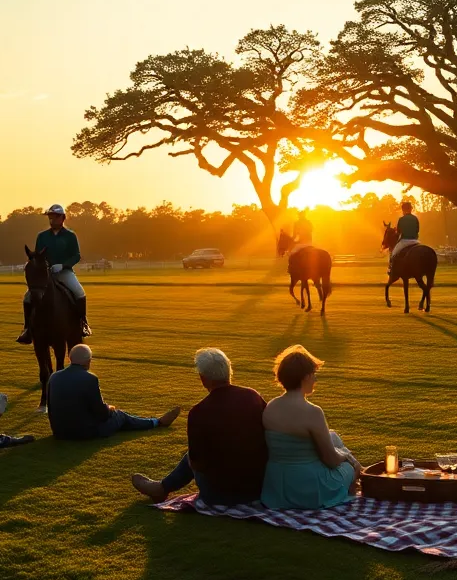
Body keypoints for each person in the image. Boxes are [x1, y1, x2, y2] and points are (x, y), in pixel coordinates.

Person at [131, 348, 269, 505]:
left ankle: (163, 488)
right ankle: (162, 487)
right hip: (259, 488)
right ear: (229, 371)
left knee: (192, 455)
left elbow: (197, 462)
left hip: (219, 495)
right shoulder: (252, 396)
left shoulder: (199, 412)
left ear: (203, 379)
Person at [261, 345, 361, 509]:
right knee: (351, 468)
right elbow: (331, 460)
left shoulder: (271, 406)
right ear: (305, 377)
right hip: (307, 487)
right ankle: (348, 499)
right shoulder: (312, 412)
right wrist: (346, 456)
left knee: (333, 435)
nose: (315, 379)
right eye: (313, 374)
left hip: (276, 487)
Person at [47, 344, 180, 438]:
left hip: (59, 432)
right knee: (120, 416)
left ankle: (154, 422)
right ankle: (156, 422)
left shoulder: (54, 377)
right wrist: (109, 409)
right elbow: (102, 414)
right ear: (89, 361)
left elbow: (52, 408)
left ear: (70, 358)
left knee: (117, 418)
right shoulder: (89, 379)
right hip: (84, 433)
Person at [17, 204, 90, 344]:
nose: (52, 220)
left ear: (63, 218)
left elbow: (76, 256)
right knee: (27, 297)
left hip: (64, 272)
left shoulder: (70, 236)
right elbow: (38, 256)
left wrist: (63, 265)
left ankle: (83, 324)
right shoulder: (42, 236)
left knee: (79, 292)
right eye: (50, 217)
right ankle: (27, 329)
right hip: (46, 273)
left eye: (55, 217)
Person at [388, 201, 421, 272]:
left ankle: (391, 270)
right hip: (415, 241)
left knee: (393, 254)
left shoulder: (401, 219)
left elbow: (399, 232)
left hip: (404, 241)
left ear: (403, 210)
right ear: (411, 209)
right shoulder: (415, 218)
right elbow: (417, 230)